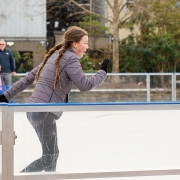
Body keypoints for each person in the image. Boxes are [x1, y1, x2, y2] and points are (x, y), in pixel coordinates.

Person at [0, 26, 110, 172]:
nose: (87, 47)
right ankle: (19, 177)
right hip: (44, 112)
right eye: (85, 42)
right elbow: (85, 85)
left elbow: (28, 78)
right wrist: (102, 72)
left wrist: (5, 96)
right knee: (50, 156)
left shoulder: (55, 55)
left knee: (50, 155)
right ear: (75, 44)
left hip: (34, 110)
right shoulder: (70, 58)